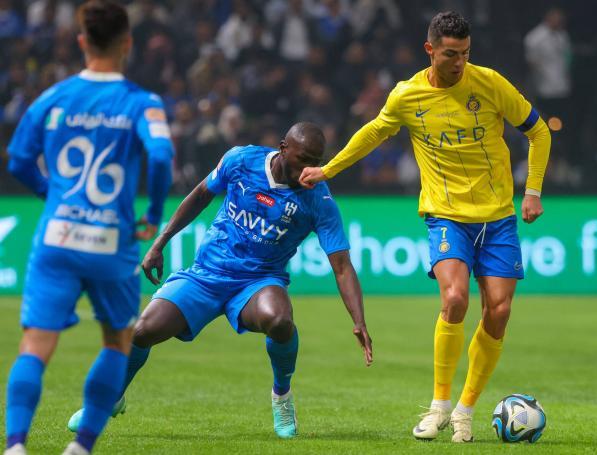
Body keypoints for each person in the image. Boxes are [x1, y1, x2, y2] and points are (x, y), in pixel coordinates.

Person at [299, 11, 550, 443]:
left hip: (498, 217)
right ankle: (438, 406)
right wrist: (328, 169)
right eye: (451, 54)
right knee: (454, 299)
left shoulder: (489, 83)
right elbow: (375, 132)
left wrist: (533, 191)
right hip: (446, 214)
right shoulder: (407, 96)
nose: (459, 63)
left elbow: (539, 132)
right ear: (430, 50)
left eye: (466, 53)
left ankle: (466, 411)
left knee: (500, 312)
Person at [67, 122, 373, 440]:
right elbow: (200, 194)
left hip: (259, 281)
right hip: (206, 274)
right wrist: (160, 242)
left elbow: (341, 265)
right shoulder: (241, 160)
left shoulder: (318, 200)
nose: (309, 169)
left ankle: (281, 396)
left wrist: (359, 320)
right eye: (303, 159)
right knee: (143, 330)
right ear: (284, 148)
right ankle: (110, 399)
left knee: (280, 321)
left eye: (316, 161)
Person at [4, 1, 173, 454]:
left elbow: (18, 159)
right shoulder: (143, 103)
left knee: (36, 343)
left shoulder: (52, 98)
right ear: (127, 44)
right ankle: (80, 448)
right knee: (118, 341)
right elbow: (159, 156)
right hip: (110, 239)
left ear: (81, 41)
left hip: (57, 236)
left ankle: (16, 445)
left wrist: (51, 194)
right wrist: (153, 214)